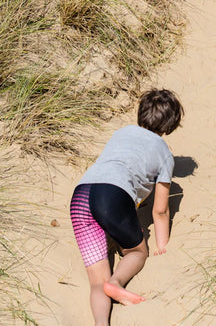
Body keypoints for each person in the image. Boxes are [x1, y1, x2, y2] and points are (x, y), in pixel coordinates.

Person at [70, 88, 184, 325]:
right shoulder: (164, 153)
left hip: (81, 195)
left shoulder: (121, 133)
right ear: (171, 124)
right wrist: (163, 245)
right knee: (136, 252)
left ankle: (102, 323)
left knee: (96, 282)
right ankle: (117, 283)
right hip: (111, 194)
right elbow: (160, 210)